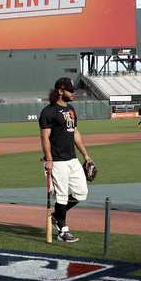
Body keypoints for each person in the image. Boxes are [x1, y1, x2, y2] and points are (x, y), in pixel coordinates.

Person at [40, 77, 93, 243]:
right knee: (61, 196)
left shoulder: (71, 109)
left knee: (81, 192)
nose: (74, 93)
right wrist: (48, 160)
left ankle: (56, 215)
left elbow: (75, 133)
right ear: (60, 91)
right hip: (57, 161)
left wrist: (86, 155)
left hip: (72, 159)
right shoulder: (48, 112)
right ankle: (63, 230)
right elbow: (45, 137)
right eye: (71, 90)